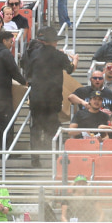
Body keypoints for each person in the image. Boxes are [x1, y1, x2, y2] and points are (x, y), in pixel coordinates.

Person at [25, 27, 76, 163]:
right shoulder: (59, 55)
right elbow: (70, 69)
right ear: (54, 41)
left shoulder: (34, 54)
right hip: (53, 97)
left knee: (35, 126)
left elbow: (28, 73)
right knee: (53, 125)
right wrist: (75, 59)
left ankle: (35, 159)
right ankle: (56, 157)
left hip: (36, 96)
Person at [0, 30, 26, 151]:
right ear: (4, 41)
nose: (12, 44)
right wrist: (24, 82)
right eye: (10, 41)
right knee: (7, 123)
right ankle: (7, 151)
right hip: (3, 96)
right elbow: (14, 71)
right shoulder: (5, 53)